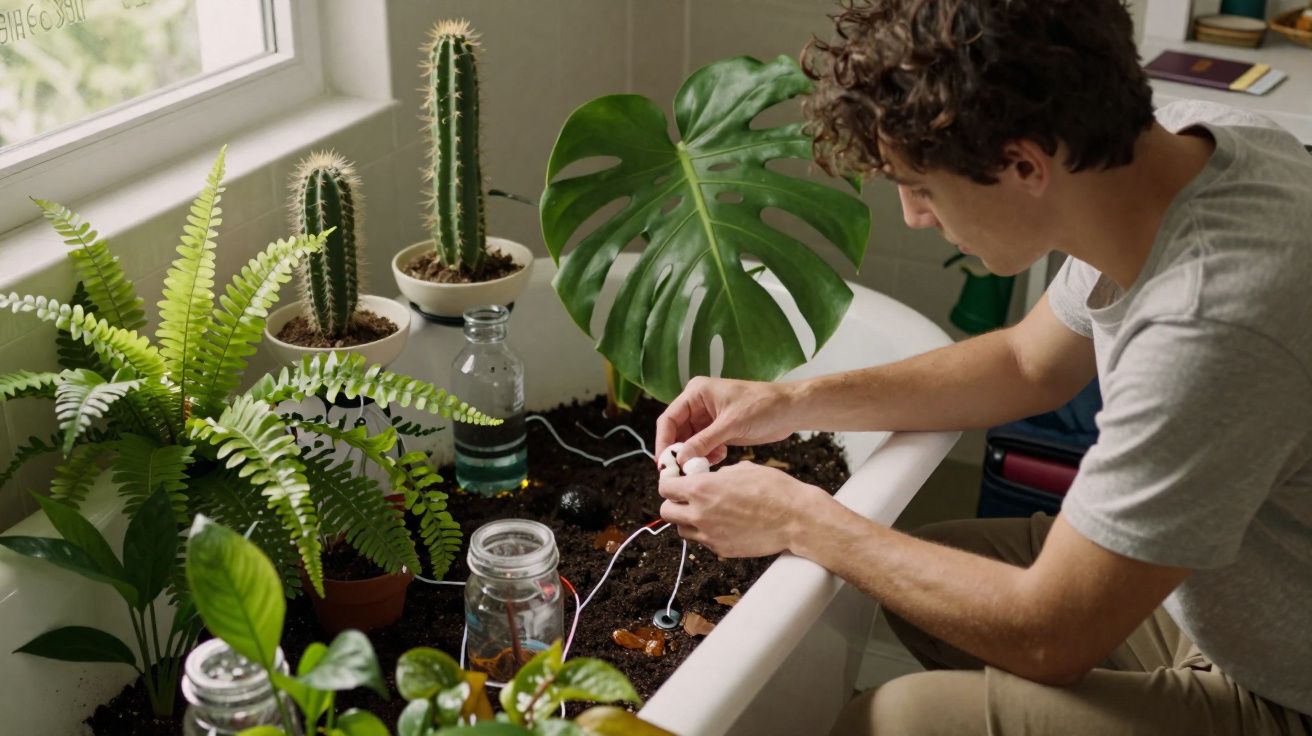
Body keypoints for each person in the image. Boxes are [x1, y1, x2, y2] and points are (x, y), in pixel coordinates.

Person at [653, 0, 1312, 733]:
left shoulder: (1209, 322)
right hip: (1221, 594)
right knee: (918, 580)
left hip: (1285, 686)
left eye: (923, 187)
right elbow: (1028, 363)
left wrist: (802, 518)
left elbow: (1047, 635)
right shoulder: (1187, 151)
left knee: (892, 721)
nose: (913, 215)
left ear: (1024, 163)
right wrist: (789, 401)